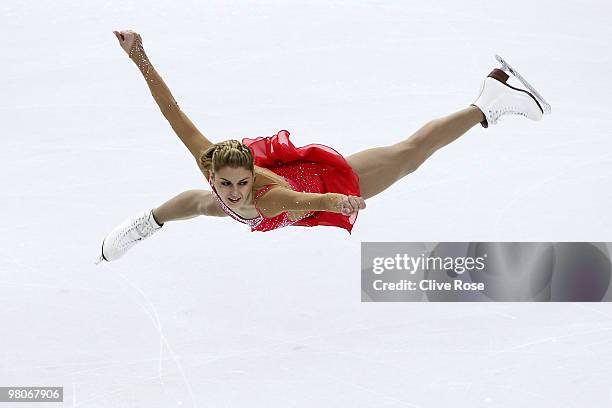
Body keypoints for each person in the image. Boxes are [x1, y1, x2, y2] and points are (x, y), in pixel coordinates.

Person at [95, 29, 550, 264]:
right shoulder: (212, 169)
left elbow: (309, 200)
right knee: (199, 204)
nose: (233, 190)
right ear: (212, 171)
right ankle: (144, 224)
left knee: (411, 153)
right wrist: (139, 55)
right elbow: (171, 109)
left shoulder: (267, 196)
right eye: (226, 182)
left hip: (330, 182)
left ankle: (487, 104)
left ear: (252, 176)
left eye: (239, 183)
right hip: (294, 195)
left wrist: (341, 198)